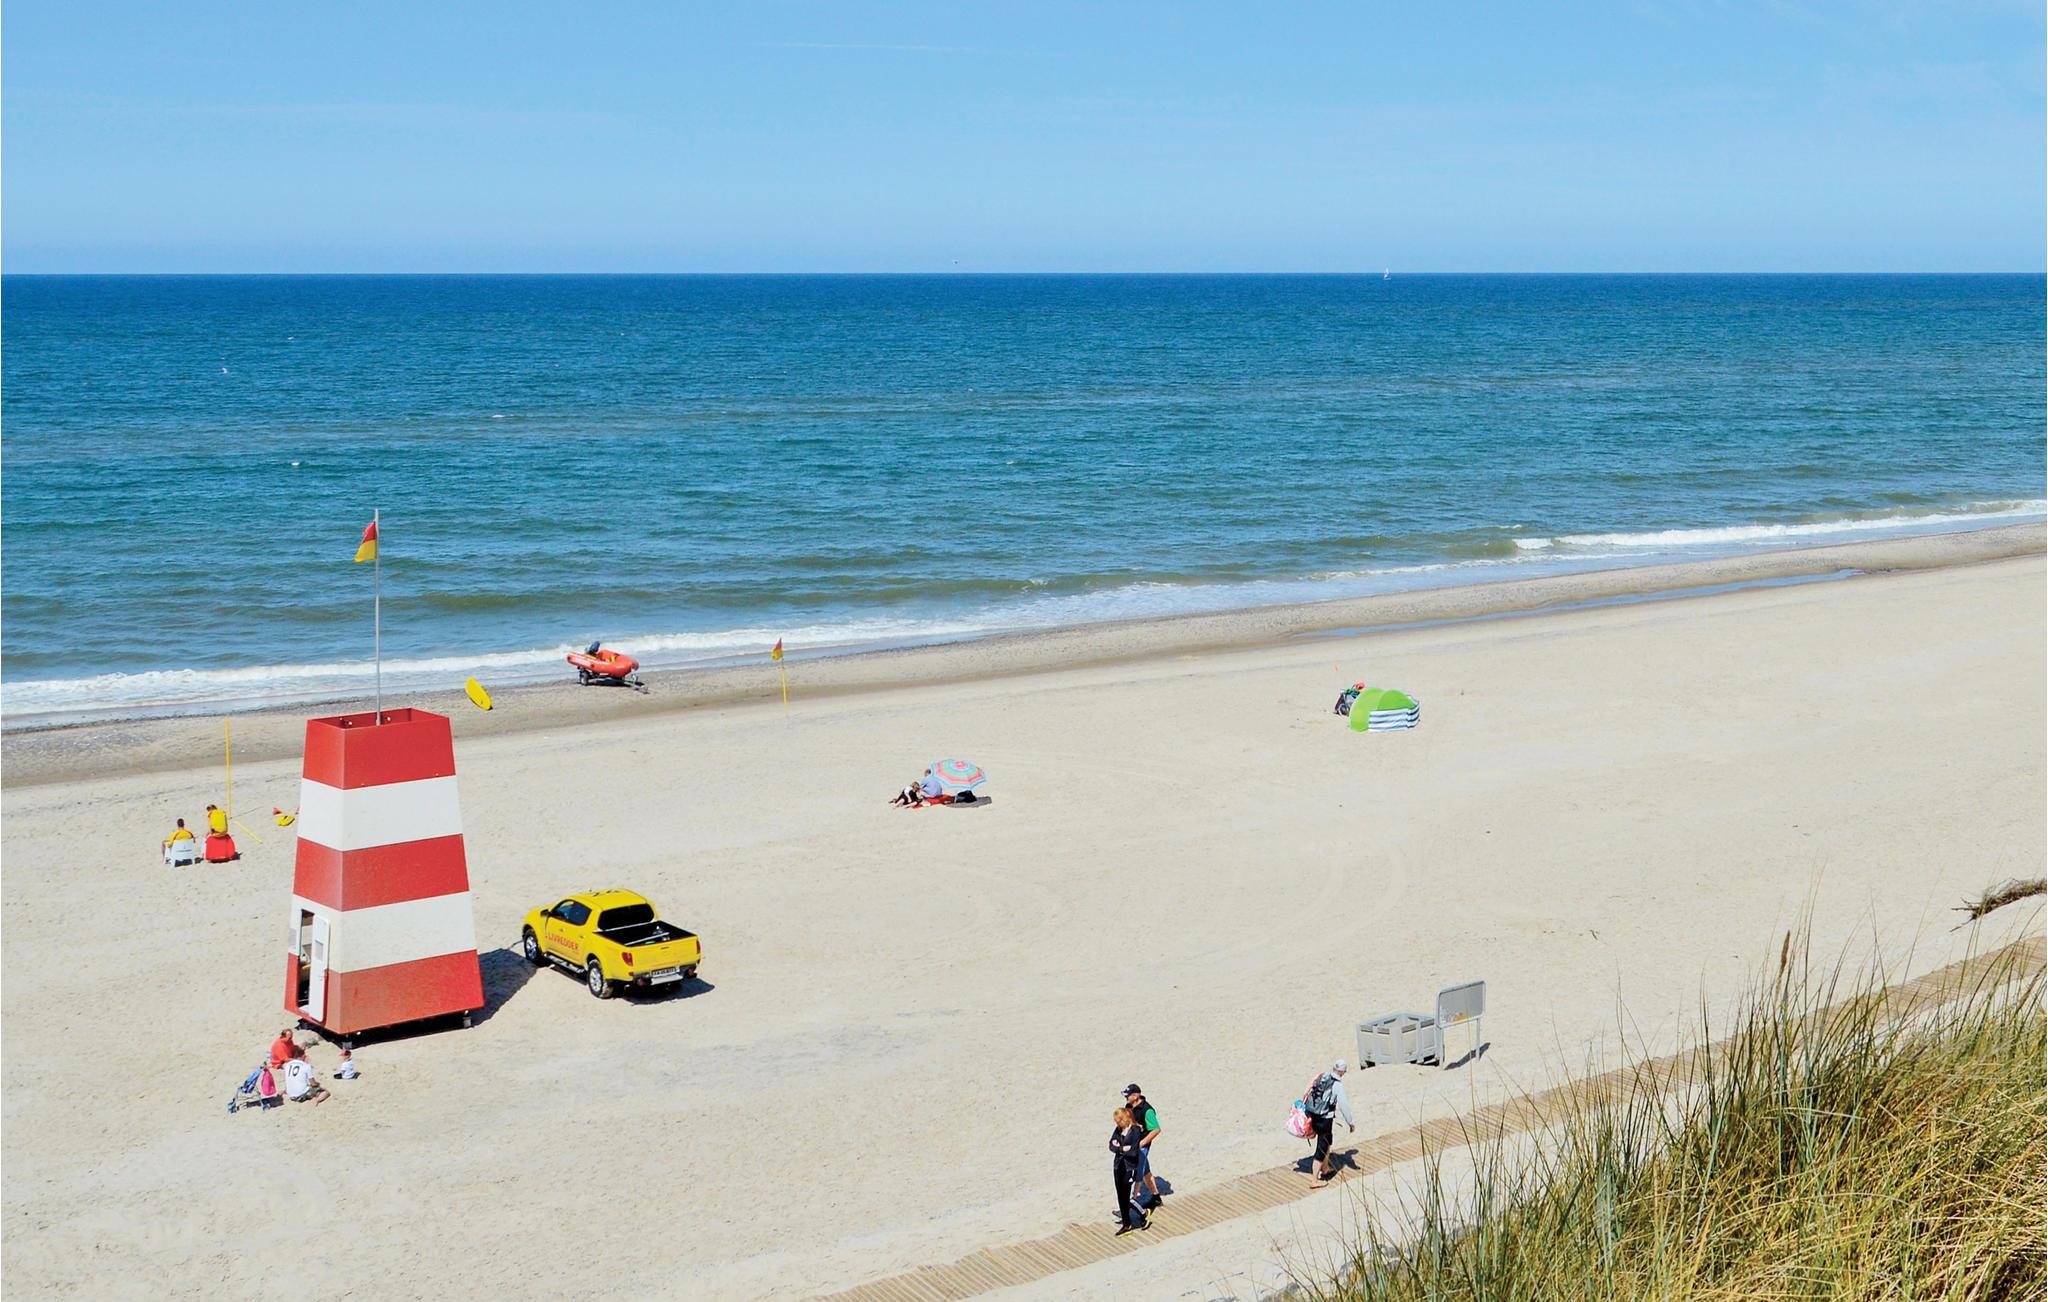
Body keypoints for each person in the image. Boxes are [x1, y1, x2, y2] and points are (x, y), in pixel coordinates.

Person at [1303, 1059, 1356, 1182]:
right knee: (1322, 1147)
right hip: (1325, 1119)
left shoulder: (1321, 1076)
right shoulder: (1337, 1085)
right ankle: (1314, 1181)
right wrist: (1350, 1122)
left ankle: (1325, 1168)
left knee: (1327, 1142)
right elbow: (1344, 1106)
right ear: (1342, 1072)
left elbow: (1307, 1090)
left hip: (1313, 1114)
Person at [1109, 1106, 1148, 1235]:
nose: (1117, 1123)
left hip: (1129, 1167)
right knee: (1120, 1196)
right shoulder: (1118, 1130)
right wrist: (1122, 1149)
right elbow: (1111, 1145)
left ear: (1125, 1118)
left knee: (1127, 1197)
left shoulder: (1135, 1130)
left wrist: (1120, 1148)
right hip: (1118, 1166)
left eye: (1119, 1120)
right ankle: (1127, 1223)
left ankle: (1142, 1213)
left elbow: (1133, 1151)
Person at [1123, 1084, 1163, 1210]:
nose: (1126, 1098)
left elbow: (1156, 1129)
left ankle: (1134, 1198)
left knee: (1139, 1171)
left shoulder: (1147, 1110)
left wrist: (1141, 1144)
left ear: (1136, 1096)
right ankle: (1156, 1197)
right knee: (1145, 1170)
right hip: (1133, 1144)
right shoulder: (1129, 1106)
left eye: (1128, 1095)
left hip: (1142, 1146)